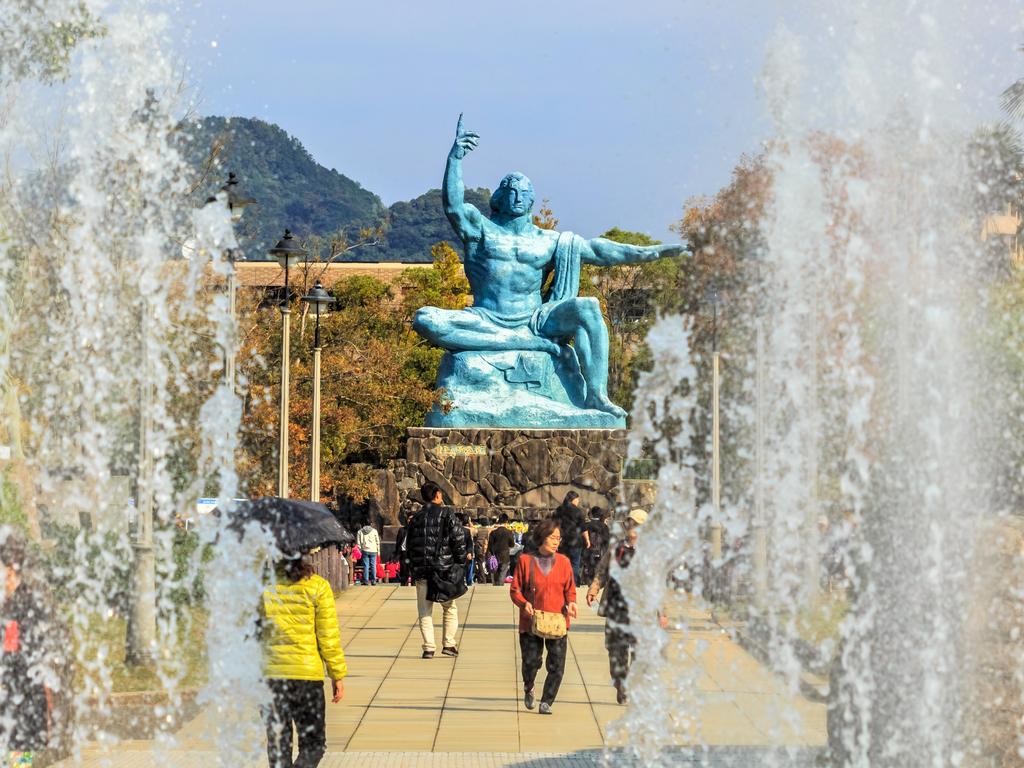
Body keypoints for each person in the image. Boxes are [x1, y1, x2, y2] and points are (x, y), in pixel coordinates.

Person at [412, 115, 687, 419]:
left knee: (588, 308)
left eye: (524, 192)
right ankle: (523, 343)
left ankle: (596, 396)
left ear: (532, 200)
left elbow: (601, 250)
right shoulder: (481, 230)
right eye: (511, 190)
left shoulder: (550, 241)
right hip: (486, 319)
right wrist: (456, 157)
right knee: (426, 320)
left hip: (536, 321)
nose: (518, 197)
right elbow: (453, 206)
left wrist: (656, 253)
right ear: (500, 197)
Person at [260, 550, 347, 768]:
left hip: (272, 676)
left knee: (279, 743)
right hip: (307, 677)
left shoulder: (263, 587)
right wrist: (337, 674)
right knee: (313, 744)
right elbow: (328, 636)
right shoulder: (318, 586)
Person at [586, 508, 663, 705]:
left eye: (638, 524)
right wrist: (594, 588)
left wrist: (662, 611)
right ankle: (621, 683)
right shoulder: (616, 549)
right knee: (615, 651)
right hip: (616, 608)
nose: (633, 527)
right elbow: (602, 570)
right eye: (631, 523)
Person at [0, 530, 58, 766]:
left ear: (10, 571)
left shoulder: (23, 605)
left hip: (21, 703)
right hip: (16, 701)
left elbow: (15, 655)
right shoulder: (12, 603)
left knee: (18, 760)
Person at [509, 519, 577, 715]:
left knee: (557, 665)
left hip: (557, 620)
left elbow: (570, 590)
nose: (557, 541)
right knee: (532, 661)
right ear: (541, 538)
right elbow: (515, 590)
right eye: (552, 537)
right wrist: (524, 603)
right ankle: (529, 685)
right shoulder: (525, 561)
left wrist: (572, 603)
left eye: (559, 538)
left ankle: (547, 701)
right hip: (530, 621)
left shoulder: (564, 562)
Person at [405, 482, 469, 659]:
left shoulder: (416, 517)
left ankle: (428, 647)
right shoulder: (446, 514)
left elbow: (409, 544)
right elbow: (459, 539)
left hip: (422, 570)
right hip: (444, 569)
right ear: (438, 494)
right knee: (449, 607)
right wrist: (461, 562)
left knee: (424, 610)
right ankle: (449, 643)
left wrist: (413, 566)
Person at [551, 491, 588, 586]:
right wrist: (587, 540)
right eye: (577, 499)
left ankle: (562, 583)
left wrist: (554, 539)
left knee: (562, 563)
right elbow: (583, 527)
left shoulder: (558, 510)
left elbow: (554, 526)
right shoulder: (578, 511)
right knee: (575, 564)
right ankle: (573, 584)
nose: (578, 501)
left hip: (563, 541)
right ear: (573, 499)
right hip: (576, 541)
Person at [581, 506, 610, 587]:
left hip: (588, 550)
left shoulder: (586, 525)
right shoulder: (604, 526)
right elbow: (607, 540)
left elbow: (582, 538)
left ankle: (587, 581)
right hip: (600, 550)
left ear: (592, 514)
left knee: (589, 566)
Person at [487, 514, 515, 586]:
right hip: (505, 555)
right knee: (503, 572)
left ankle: (496, 585)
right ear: (506, 521)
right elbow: (512, 544)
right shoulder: (509, 532)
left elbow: (490, 545)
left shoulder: (493, 532)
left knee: (495, 572)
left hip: (495, 555)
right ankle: (500, 585)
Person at [394, 512, 413, 586]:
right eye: (409, 519)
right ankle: (403, 585)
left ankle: (413, 585)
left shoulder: (417, 530)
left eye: (412, 519)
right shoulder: (402, 530)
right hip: (404, 552)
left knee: (413, 571)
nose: (410, 520)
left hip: (413, 553)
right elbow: (398, 542)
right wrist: (396, 554)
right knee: (404, 570)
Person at [460, 514, 476, 586]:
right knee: (469, 567)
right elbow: (475, 531)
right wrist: (470, 522)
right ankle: (469, 581)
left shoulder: (458, 529)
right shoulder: (470, 530)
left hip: (460, 551)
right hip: (468, 551)